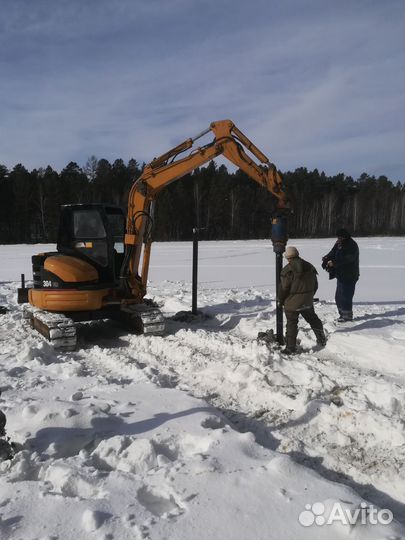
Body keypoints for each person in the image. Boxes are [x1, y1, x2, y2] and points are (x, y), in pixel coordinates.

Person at [278, 246, 326, 354]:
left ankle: (290, 348)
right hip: (307, 302)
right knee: (313, 319)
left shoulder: (287, 270)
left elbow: (283, 289)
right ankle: (321, 339)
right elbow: (315, 285)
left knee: (291, 323)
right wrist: (308, 296)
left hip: (292, 304)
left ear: (288, 257)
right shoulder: (310, 267)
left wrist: (280, 300)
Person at [322, 228, 359, 322]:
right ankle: (342, 314)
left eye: (340, 237)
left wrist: (334, 262)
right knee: (338, 297)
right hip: (341, 275)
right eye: (338, 237)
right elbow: (332, 252)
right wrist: (326, 258)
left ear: (345, 237)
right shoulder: (339, 243)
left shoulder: (352, 245)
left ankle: (347, 316)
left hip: (350, 275)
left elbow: (348, 258)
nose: (338, 239)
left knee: (345, 296)